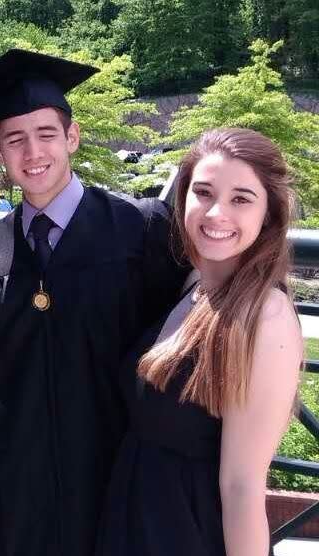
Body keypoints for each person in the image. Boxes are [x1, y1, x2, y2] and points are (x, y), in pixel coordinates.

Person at [0, 49, 189, 556]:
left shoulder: (140, 229)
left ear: (72, 137)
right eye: (15, 139)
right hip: (15, 486)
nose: (32, 152)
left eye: (46, 134)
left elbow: (195, 326)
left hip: (111, 472)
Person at [97, 128, 302, 556]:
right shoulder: (193, 284)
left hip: (187, 535)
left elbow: (243, 487)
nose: (216, 213)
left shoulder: (265, 315)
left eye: (241, 199)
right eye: (204, 192)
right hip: (135, 523)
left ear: (268, 214)